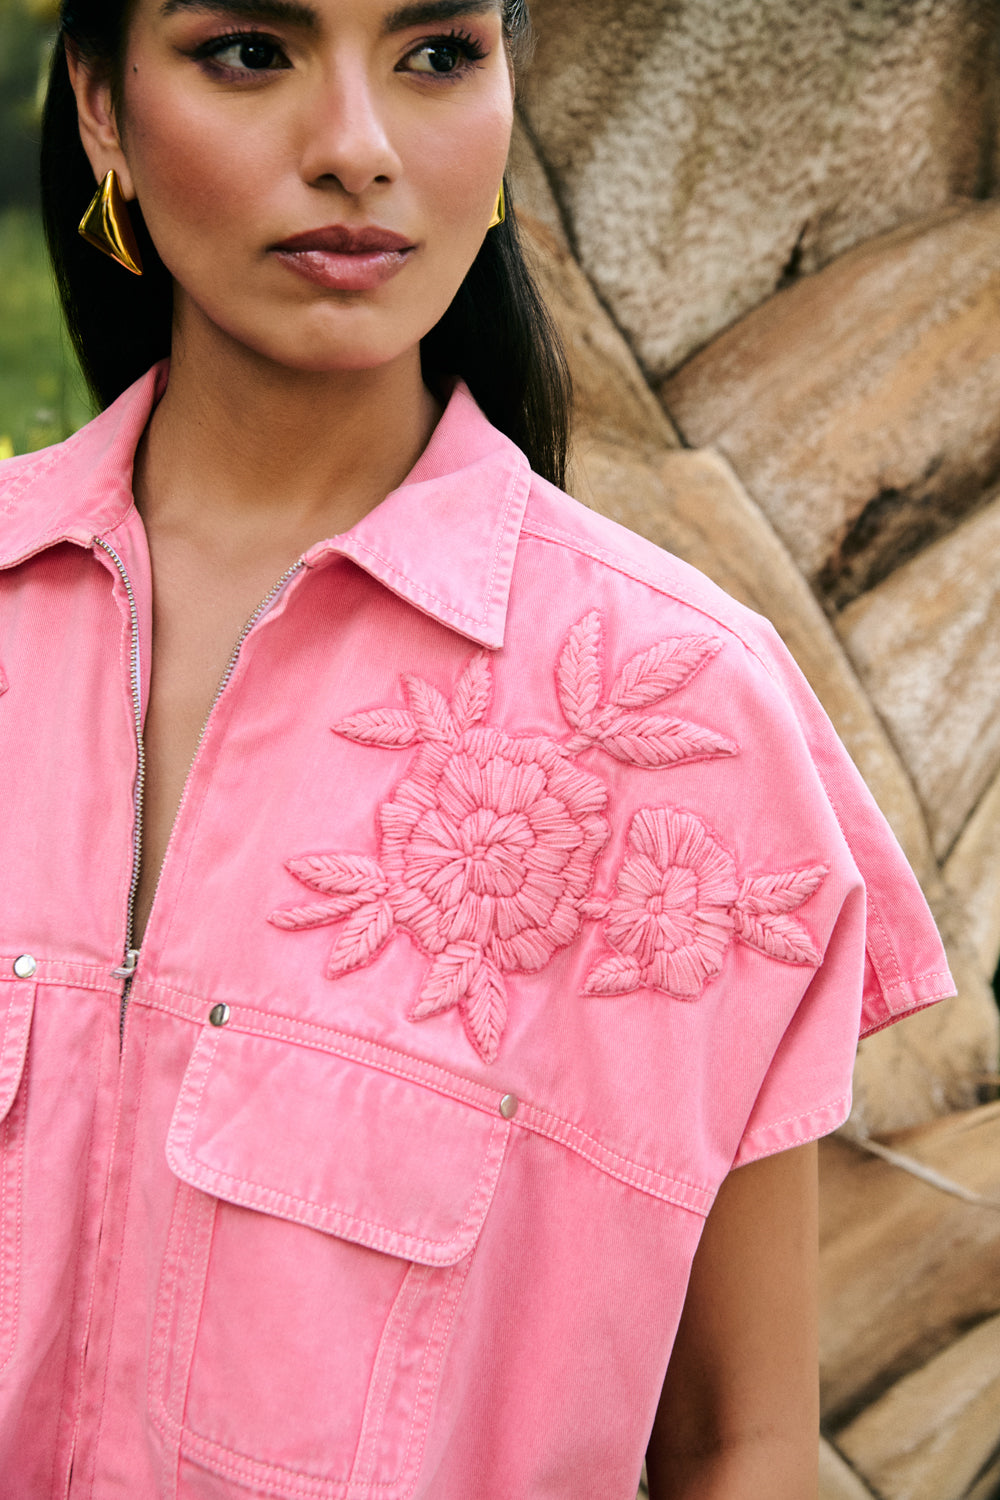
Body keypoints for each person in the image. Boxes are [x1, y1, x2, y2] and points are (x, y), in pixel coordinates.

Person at [0, 0, 953, 1494]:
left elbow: (741, 1444)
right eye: (249, 51)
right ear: (103, 105)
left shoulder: (684, 729)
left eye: (437, 55)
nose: (357, 147)